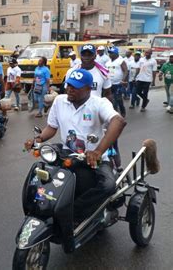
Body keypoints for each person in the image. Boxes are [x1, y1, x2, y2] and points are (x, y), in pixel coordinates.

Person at [24, 69, 126, 222]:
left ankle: (76, 212)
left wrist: (97, 152)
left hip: (94, 158)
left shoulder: (99, 103)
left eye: (75, 87)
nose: (69, 89)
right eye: (68, 85)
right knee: (42, 174)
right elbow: (52, 127)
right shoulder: (59, 101)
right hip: (67, 153)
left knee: (109, 186)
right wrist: (38, 139)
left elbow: (118, 121)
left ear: (88, 88)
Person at [106, 47, 128, 117]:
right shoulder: (108, 62)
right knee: (111, 100)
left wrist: (123, 80)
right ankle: (114, 114)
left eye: (112, 53)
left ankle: (122, 110)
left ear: (116, 54)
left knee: (118, 99)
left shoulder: (121, 61)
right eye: (109, 53)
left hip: (118, 84)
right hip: (109, 84)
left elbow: (125, 71)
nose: (110, 55)